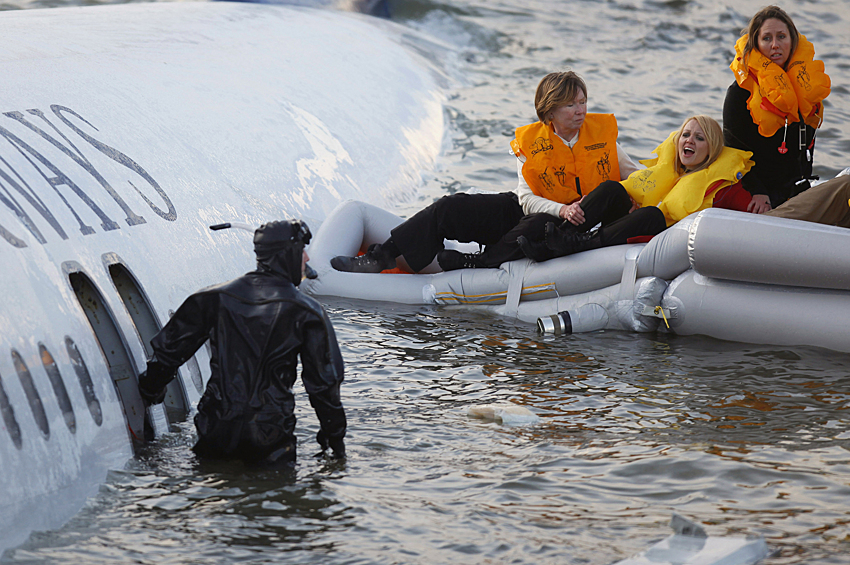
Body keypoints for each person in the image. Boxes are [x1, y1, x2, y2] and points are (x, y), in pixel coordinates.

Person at [330, 70, 640, 273]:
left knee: (537, 225)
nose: (581, 111)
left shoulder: (602, 138)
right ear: (549, 111)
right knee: (453, 206)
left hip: (567, 228)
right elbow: (526, 198)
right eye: (572, 105)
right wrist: (561, 209)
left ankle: (478, 261)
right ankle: (382, 256)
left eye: (583, 102)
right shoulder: (531, 144)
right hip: (541, 210)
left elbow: (635, 174)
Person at [138, 220, 346, 466]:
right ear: (287, 254)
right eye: (302, 250)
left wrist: (151, 390)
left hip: (215, 427)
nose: (307, 258)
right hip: (270, 433)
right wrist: (334, 438)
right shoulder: (308, 311)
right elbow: (323, 386)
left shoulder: (212, 298)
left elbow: (167, 355)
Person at [516, 115, 754, 261]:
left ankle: (579, 244)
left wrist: (763, 200)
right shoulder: (670, 169)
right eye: (686, 135)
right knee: (612, 188)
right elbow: (638, 182)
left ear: (711, 149)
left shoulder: (724, 187)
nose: (689, 141)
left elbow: (755, 217)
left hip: (659, 236)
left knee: (651, 214)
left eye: (699, 138)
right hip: (627, 224)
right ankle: (558, 239)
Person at [724, 5, 850, 227]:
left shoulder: (806, 95)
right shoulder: (739, 93)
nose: (775, 45)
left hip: (796, 196)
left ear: (793, 42)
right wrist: (757, 192)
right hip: (763, 204)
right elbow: (733, 150)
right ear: (756, 44)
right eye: (767, 38)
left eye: (781, 36)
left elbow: (803, 157)